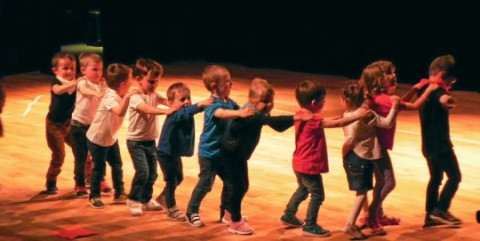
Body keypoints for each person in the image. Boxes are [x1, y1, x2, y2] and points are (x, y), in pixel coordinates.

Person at [221, 78, 311, 235]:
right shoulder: (252, 114)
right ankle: (235, 222)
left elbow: (273, 123)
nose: (269, 105)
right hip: (231, 155)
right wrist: (297, 118)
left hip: (237, 155)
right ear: (252, 100)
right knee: (239, 186)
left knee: (243, 186)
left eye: (271, 101)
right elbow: (274, 122)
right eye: (265, 101)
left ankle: (230, 213)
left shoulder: (255, 111)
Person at [281, 80, 369, 237]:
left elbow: (331, 120)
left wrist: (340, 116)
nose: (324, 103)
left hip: (299, 163)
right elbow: (337, 124)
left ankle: (288, 214)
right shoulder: (314, 121)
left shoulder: (300, 115)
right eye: (323, 100)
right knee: (317, 195)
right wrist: (357, 115)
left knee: (302, 189)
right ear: (314, 102)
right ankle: (310, 225)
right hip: (309, 165)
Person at [357, 60, 437, 231]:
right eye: (389, 73)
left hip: (374, 146)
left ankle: (377, 213)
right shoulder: (386, 101)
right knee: (388, 183)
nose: (394, 75)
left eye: (394, 72)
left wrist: (415, 88)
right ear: (379, 79)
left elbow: (398, 105)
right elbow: (413, 106)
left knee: (380, 182)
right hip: (377, 148)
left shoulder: (381, 99)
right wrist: (429, 89)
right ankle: (371, 214)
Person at [185, 64, 254, 227]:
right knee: (206, 184)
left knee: (231, 183)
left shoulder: (229, 102)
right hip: (209, 154)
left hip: (223, 154)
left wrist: (254, 107)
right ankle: (191, 211)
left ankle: (227, 213)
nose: (231, 84)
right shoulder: (212, 103)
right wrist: (239, 113)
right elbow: (221, 114)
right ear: (214, 86)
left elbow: (241, 109)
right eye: (228, 82)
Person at [340, 81, 400, 239]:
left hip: (352, 156)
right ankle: (350, 224)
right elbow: (387, 123)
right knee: (362, 192)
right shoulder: (367, 115)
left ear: (345, 100)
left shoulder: (346, 116)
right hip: (362, 157)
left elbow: (348, 139)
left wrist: (344, 155)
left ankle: (371, 213)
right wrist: (394, 105)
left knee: (375, 183)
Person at [125, 58, 182, 216]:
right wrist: (166, 111)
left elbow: (164, 100)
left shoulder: (153, 93)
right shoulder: (136, 97)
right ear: (138, 79)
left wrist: (176, 104)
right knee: (143, 171)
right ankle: (133, 199)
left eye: (157, 81)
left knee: (153, 173)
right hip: (135, 142)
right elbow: (147, 109)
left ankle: (145, 198)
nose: (155, 85)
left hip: (150, 141)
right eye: (151, 81)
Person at [156, 82, 213, 221]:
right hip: (165, 153)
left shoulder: (184, 112)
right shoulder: (175, 114)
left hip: (173, 153)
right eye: (182, 99)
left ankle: (163, 198)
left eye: (188, 98)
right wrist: (200, 104)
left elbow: (189, 111)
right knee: (171, 181)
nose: (187, 102)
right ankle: (171, 208)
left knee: (178, 178)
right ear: (170, 102)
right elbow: (188, 111)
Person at [416, 55, 462, 227]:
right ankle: (440, 210)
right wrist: (448, 100)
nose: (452, 83)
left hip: (427, 145)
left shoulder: (424, 88)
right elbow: (442, 98)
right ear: (443, 75)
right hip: (441, 146)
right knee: (455, 177)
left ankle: (430, 215)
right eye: (452, 80)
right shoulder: (438, 91)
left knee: (435, 177)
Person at [86, 63, 139, 209]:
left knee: (117, 165)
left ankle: (119, 192)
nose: (132, 81)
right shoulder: (110, 96)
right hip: (97, 139)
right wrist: (128, 96)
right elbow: (119, 111)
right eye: (130, 79)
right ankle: (94, 196)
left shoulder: (121, 94)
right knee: (99, 169)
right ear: (123, 83)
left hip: (110, 137)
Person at [70, 53, 109, 198]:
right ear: (84, 70)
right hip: (79, 126)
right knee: (81, 158)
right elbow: (85, 91)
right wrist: (96, 93)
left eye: (100, 69)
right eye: (94, 69)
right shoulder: (82, 83)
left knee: (98, 156)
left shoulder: (103, 83)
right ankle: (79, 185)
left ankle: (99, 180)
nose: (98, 73)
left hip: (95, 126)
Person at [42, 51, 79, 195]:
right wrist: (75, 83)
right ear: (55, 70)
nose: (70, 71)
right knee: (59, 155)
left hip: (69, 124)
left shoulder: (76, 80)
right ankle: (51, 181)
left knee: (81, 150)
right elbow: (57, 91)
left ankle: (84, 179)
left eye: (72, 68)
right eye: (65, 68)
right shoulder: (56, 82)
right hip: (54, 126)